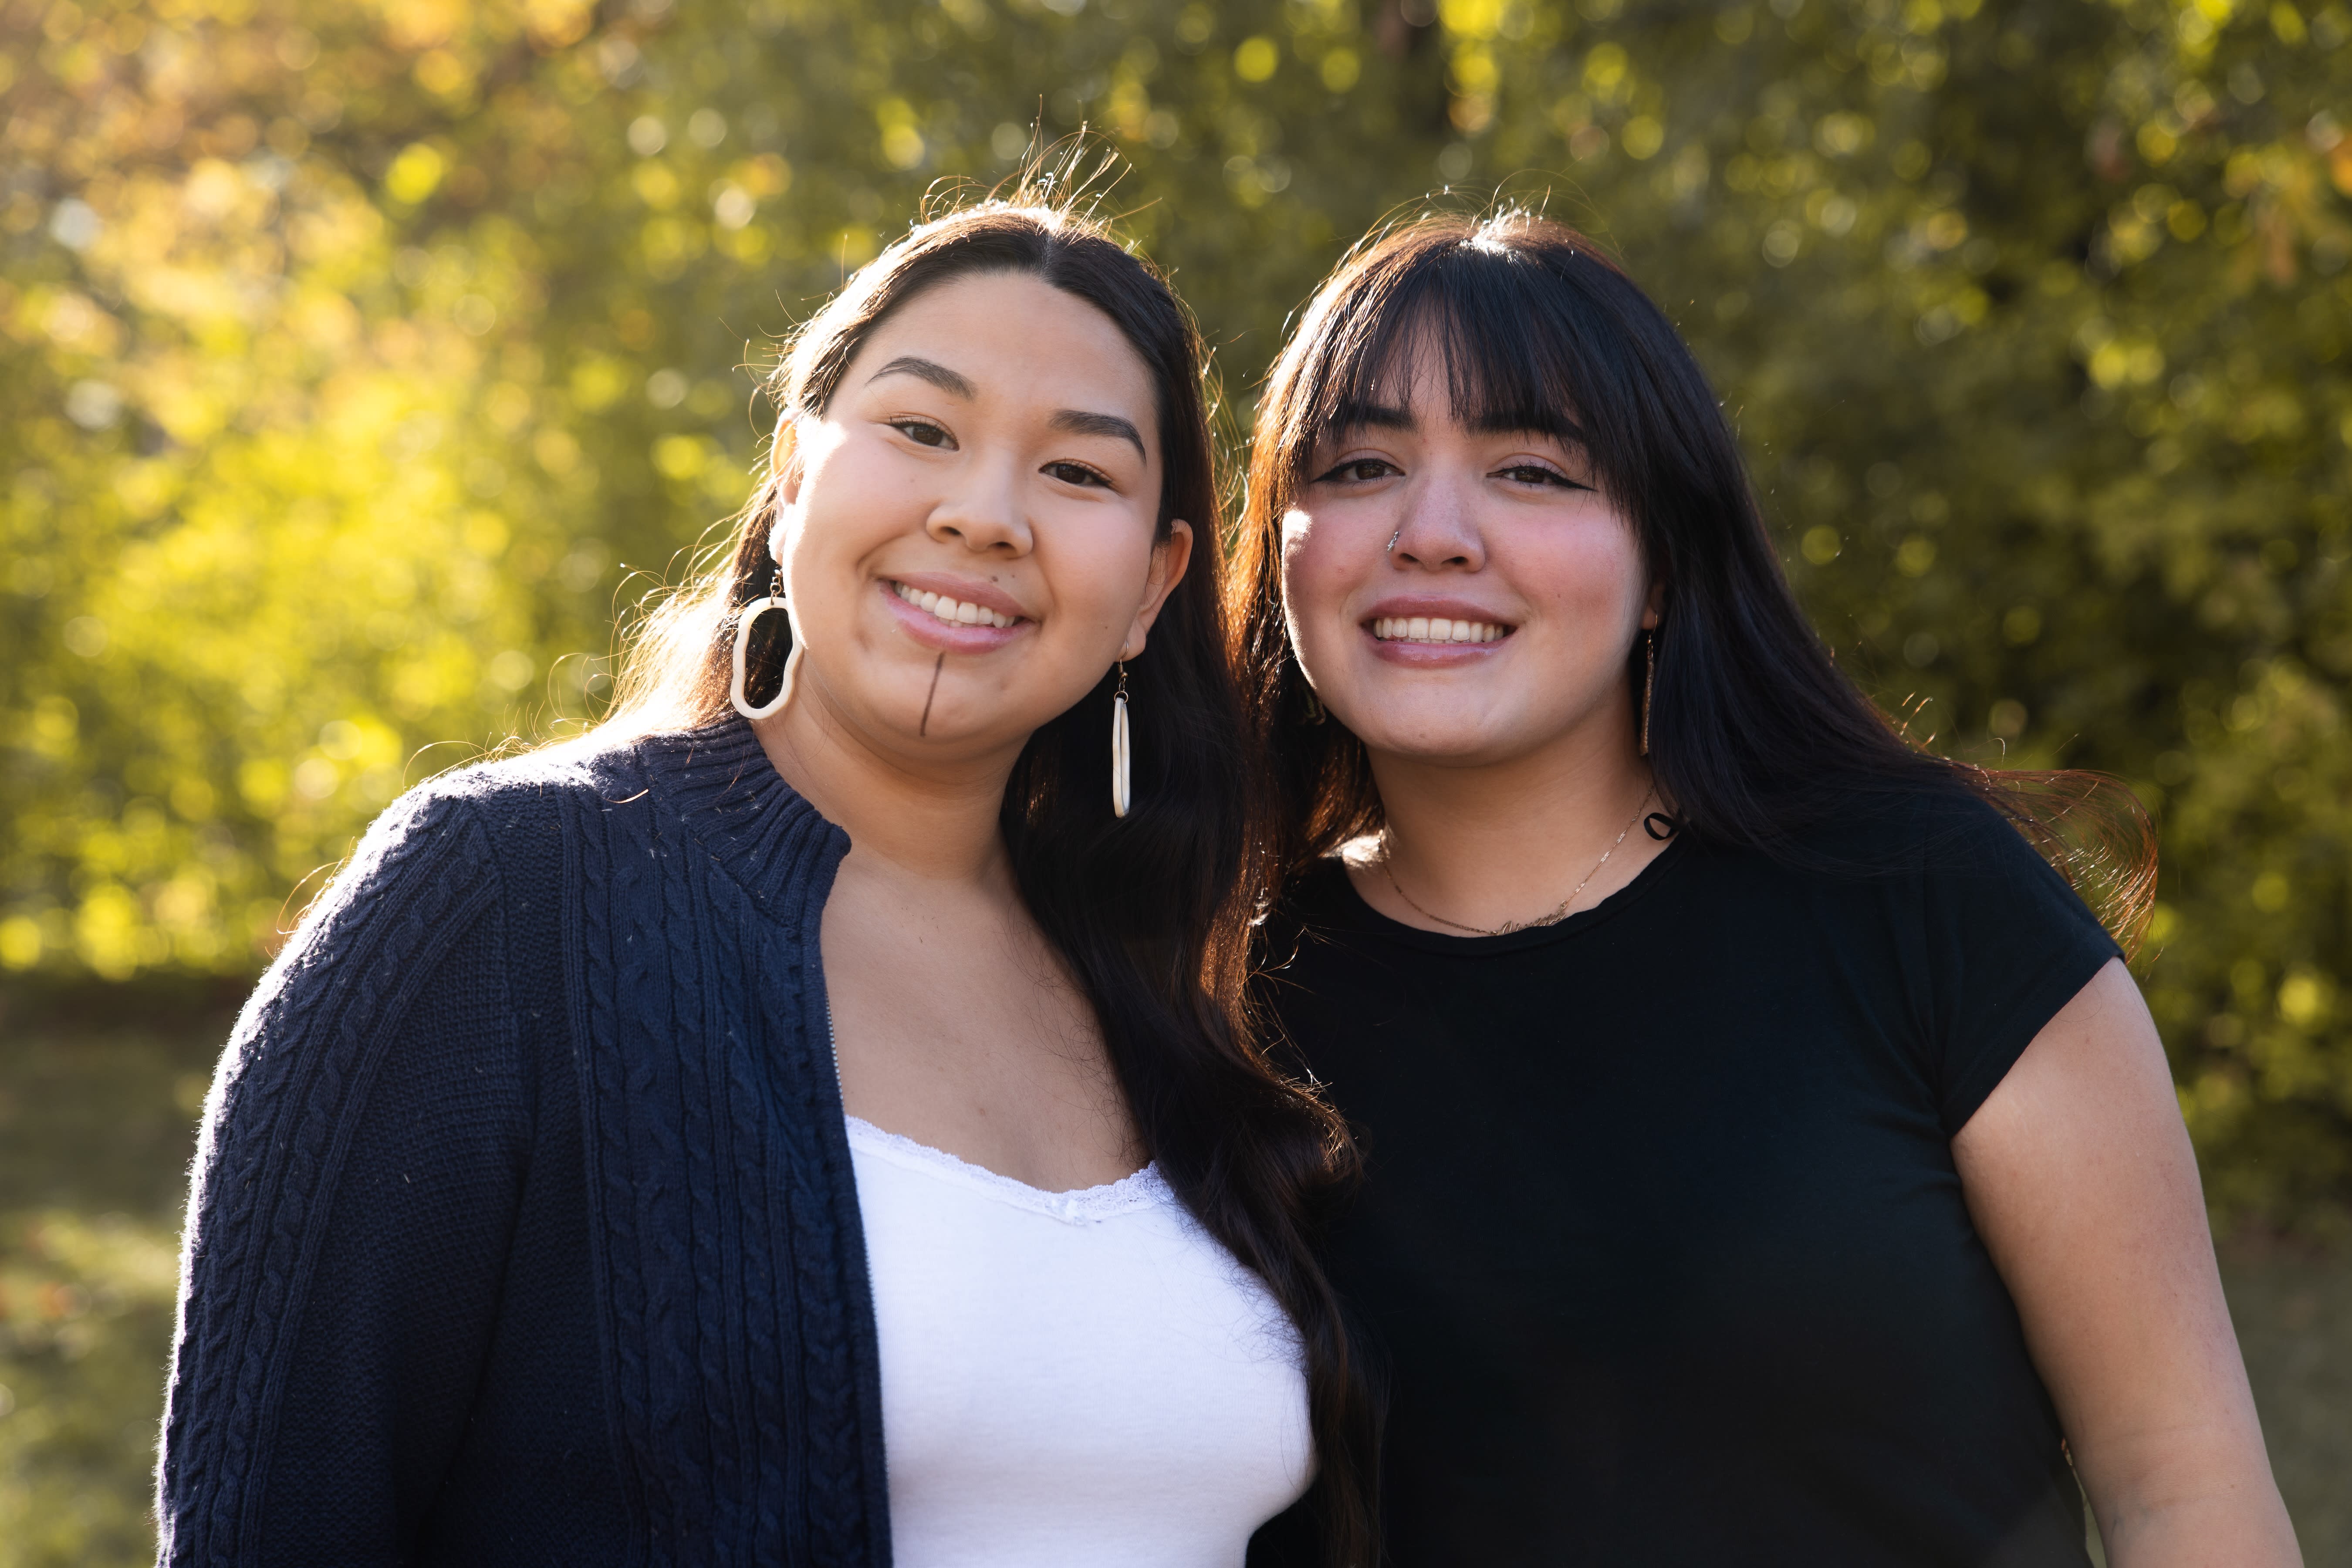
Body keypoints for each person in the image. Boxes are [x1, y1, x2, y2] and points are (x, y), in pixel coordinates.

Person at [156, 191, 1375, 1567]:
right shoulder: (501, 902)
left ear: (1155, 587)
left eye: (1077, 474)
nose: (984, 515)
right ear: (794, 478)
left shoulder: (1173, 983)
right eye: (921, 430)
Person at [1233, 211, 2301, 1566]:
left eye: (1532, 470)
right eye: (1366, 464)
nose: (1432, 532)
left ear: (1666, 564)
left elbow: (2184, 1489)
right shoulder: (1214, 1002)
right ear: (1282, 549)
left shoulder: (1922, 901)